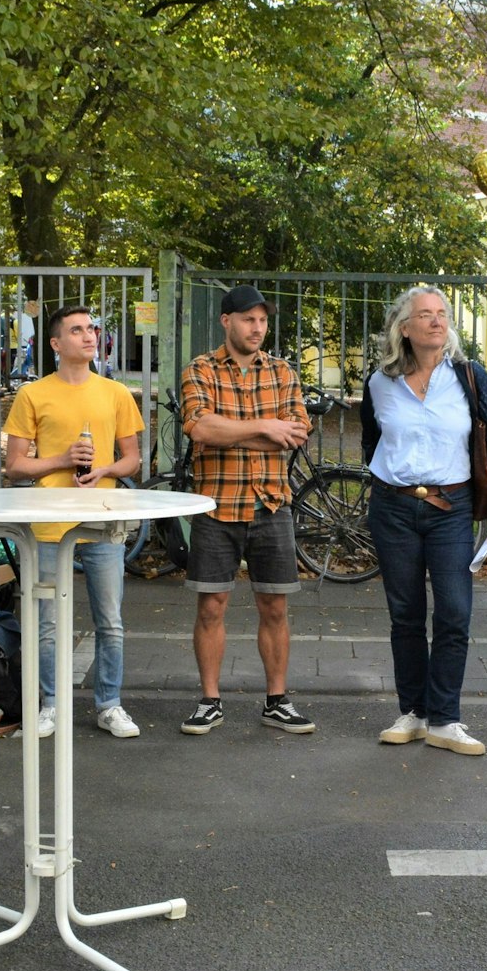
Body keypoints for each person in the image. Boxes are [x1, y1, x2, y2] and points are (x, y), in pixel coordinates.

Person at [360, 287, 487, 756]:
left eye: (442, 314)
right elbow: (373, 442)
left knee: (453, 612)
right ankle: (414, 712)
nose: (436, 322)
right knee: (405, 615)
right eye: (424, 315)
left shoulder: (469, 378)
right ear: (403, 328)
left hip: (451, 509)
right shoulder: (379, 383)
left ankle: (445, 718)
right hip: (394, 508)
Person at [178, 284, 315, 736]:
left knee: (274, 606)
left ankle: (277, 700)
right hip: (217, 503)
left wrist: (238, 431)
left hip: (271, 502)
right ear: (226, 322)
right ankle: (209, 701)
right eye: (248, 319)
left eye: (262, 320)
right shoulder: (199, 369)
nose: (257, 328)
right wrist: (264, 427)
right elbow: (200, 427)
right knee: (211, 606)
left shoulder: (282, 372)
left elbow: (295, 433)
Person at [2, 305, 145, 739]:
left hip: (101, 519)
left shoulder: (115, 392)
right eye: (77, 330)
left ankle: (109, 704)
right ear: (55, 343)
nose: (89, 336)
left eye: (92, 329)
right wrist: (62, 460)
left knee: (111, 620)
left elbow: (133, 458)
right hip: (48, 522)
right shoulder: (33, 394)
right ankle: (52, 704)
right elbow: (13, 466)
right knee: (46, 622)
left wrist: (105, 471)